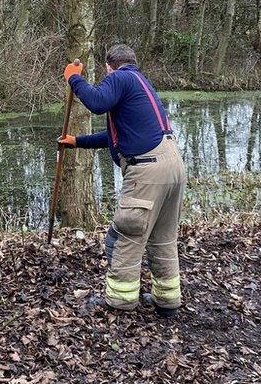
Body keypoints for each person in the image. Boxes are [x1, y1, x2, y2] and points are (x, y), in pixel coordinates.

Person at [59, 44, 186, 318]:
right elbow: (117, 137)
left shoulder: (121, 77)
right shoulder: (141, 83)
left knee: (126, 234)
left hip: (147, 171)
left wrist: (73, 78)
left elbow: (96, 103)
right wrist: (76, 142)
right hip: (172, 165)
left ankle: (119, 301)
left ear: (109, 66)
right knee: (162, 237)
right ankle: (167, 300)